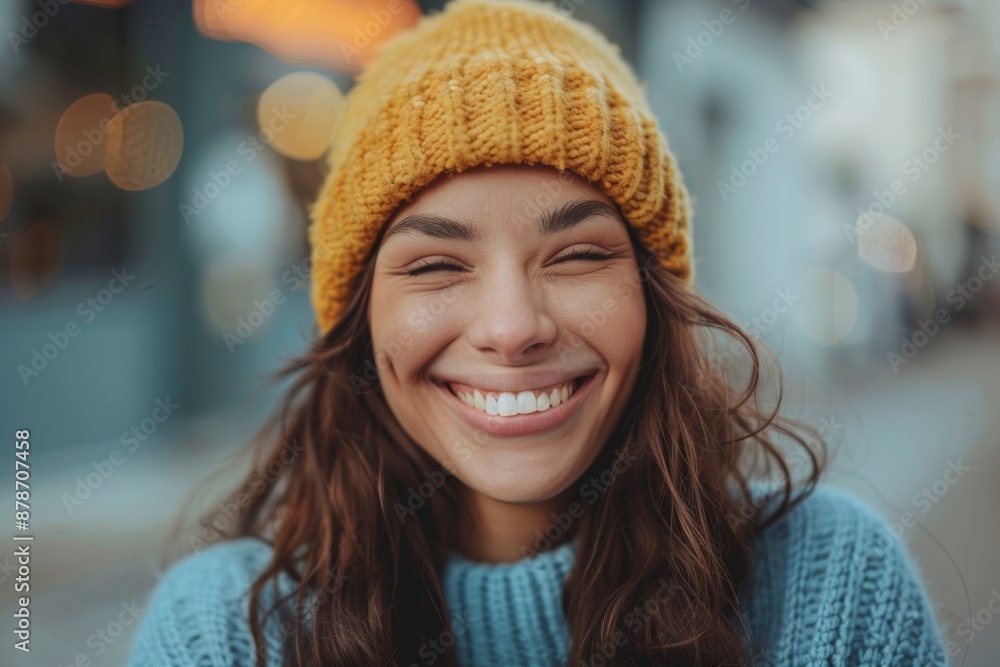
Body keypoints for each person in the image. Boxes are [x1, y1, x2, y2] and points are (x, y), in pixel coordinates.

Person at [128, 0, 949, 665]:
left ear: (652, 295)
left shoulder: (829, 587)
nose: (513, 327)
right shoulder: (225, 635)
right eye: (436, 266)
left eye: (578, 255)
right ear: (359, 318)